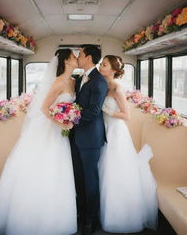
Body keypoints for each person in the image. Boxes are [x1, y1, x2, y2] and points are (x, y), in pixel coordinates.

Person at [0, 49, 78, 235]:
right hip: (50, 129)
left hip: (62, 132)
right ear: (67, 61)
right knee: (44, 168)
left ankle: (56, 217)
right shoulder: (57, 82)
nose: (77, 58)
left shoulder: (74, 81)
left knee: (59, 170)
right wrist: (62, 121)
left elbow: (70, 105)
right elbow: (45, 108)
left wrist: (70, 117)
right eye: (74, 56)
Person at [98, 55, 158, 233]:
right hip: (104, 129)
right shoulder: (102, 85)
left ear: (114, 70)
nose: (101, 66)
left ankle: (122, 217)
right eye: (101, 63)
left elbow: (127, 116)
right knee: (105, 170)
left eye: (105, 65)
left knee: (116, 170)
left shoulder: (117, 88)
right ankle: (106, 214)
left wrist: (108, 110)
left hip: (116, 130)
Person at [69, 45, 108, 235]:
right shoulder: (79, 78)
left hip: (90, 138)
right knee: (79, 179)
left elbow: (93, 112)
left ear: (90, 57)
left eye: (81, 54)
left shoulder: (99, 81)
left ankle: (91, 221)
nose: (78, 56)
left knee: (90, 180)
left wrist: (71, 120)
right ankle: (81, 214)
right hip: (75, 137)